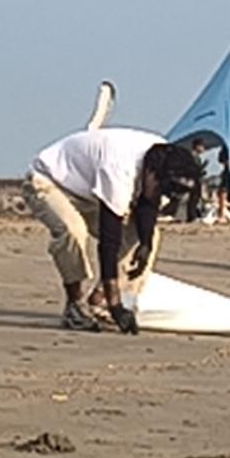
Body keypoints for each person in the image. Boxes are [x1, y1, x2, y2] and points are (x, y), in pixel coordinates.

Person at [23, 129, 204, 332]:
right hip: (50, 180)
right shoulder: (119, 169)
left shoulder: (168, 161)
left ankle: (100, 301)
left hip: (89, 190)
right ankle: (76, 306)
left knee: (150, 238)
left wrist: (145, 244)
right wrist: (115, 303)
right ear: (152, 173)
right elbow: (110, 240)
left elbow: (148, 205)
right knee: (73, 231)